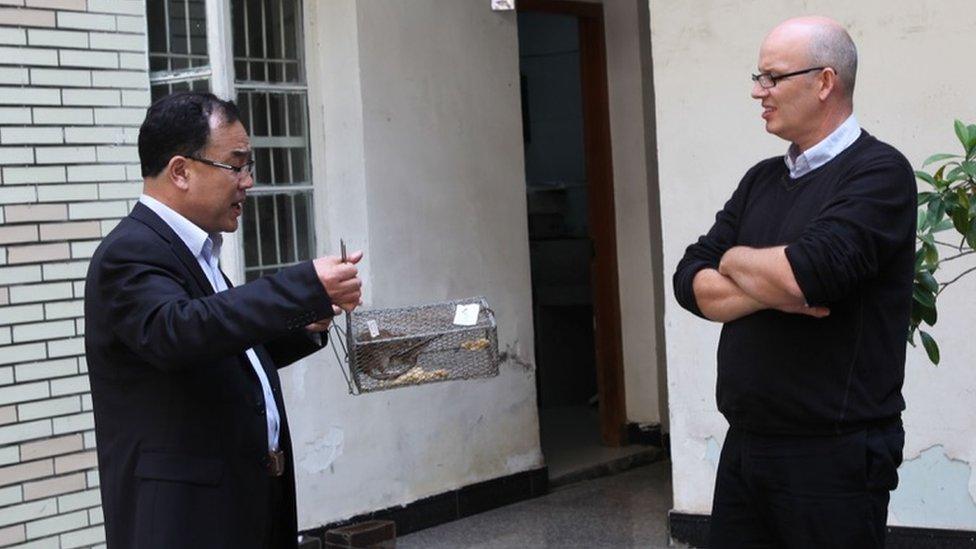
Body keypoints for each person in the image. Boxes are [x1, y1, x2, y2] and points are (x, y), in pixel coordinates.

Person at [672, 16, 915, 548]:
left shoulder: (878, 173)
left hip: (833, 457)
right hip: (746, 446)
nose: (758, 92)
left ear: (824, 82)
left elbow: (810, 274)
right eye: (758, 77)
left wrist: (733, 258)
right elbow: (690, 281)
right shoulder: (762, 179)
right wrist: (773, 287)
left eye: (772, 78)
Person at [84, 91, 363, 549]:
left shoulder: (199, 251)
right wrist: (302, 286)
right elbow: (181, 333)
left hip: (244, 502)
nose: (248, 182)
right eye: (237, 166)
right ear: (181, 171)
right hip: (185, 520)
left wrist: (305, 320)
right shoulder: (129, 253)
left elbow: (223, 347)